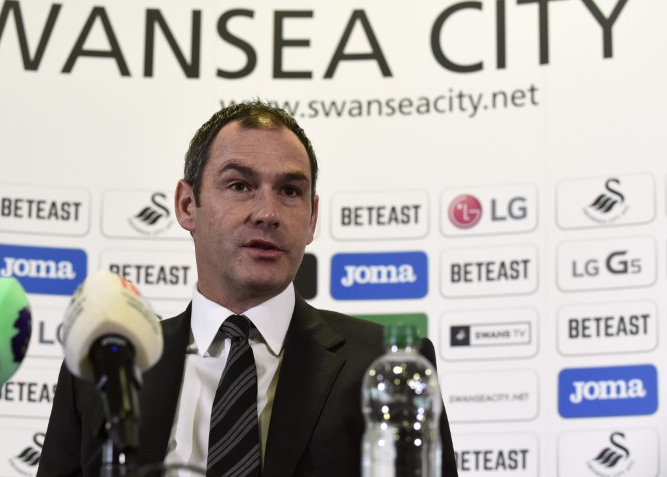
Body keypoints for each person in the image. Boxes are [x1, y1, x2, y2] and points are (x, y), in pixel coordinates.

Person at [38, 100, 458, 476]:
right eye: (240, 185)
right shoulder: (106, 368)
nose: (267, 213)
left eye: (290, 191)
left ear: (312, 219)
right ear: (187, 205)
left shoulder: (388, 364)